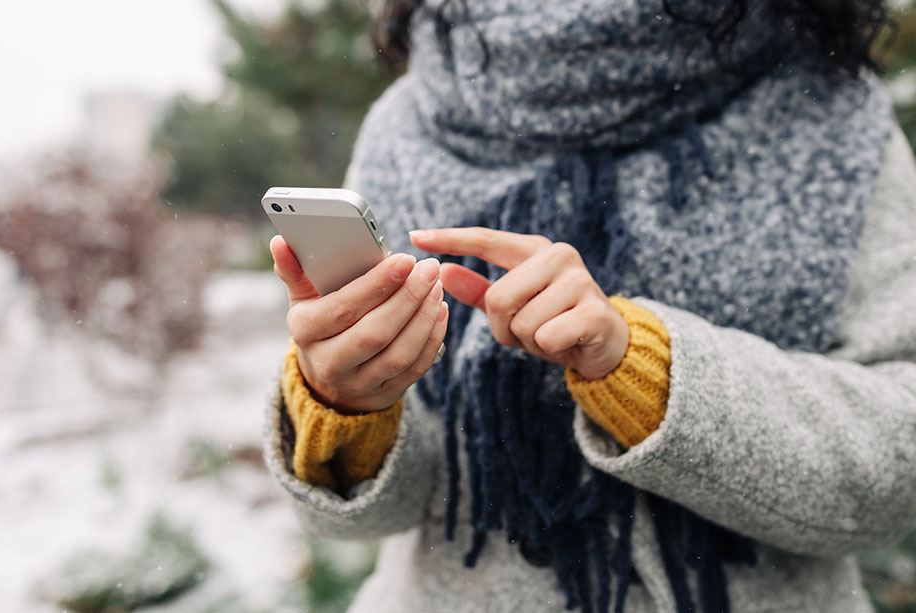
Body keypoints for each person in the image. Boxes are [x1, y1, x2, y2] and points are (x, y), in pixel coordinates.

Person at [264, 0, 916, 611]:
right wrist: (344, 407)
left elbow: (900, 454)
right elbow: (380, 512)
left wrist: (645, 371)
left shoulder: (829, 114)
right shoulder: (408, 121)